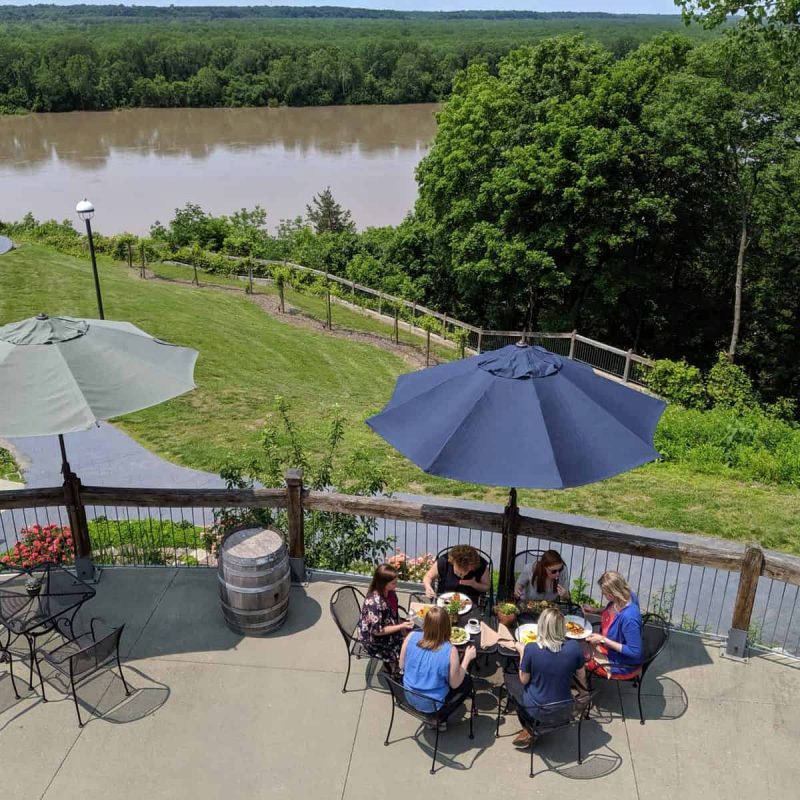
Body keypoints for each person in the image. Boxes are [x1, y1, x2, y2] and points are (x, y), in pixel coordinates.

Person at [505, 607, 585, 747]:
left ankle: (529, 728)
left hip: (538, 710)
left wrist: (522, 652)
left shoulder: (531, 648)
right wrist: (584, 695)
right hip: (565, 708)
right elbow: (581, 676)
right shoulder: (574, 647)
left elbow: (524, 680)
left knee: (510, 678)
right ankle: (531, 728)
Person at [400, 605, 477, 714]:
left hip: (409, 696)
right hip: (433, 705)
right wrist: (467, 658)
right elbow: (455, 684)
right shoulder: (450, 650)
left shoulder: (410, 636)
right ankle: (439, 720)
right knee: (467, 681)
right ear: (447, 626)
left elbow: (401, 666)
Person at [583, 571, 643, 679]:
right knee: (576, 644)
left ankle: (582, 690)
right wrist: (595, 610)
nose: (603, 595)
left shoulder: (629, 618)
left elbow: (635, 652)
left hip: (620, 662)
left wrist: (603, 639)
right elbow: (612, 611)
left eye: (605, 593)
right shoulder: (626, 596)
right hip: (609, 648)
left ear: (614, 593)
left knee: (575, 656)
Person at [358, 564, 414, 675]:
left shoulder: (390, 592)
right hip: (374, 641)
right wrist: (401, 626)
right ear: (383, 583)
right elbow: (377, 631)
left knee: (414, 633)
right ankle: (396, 668)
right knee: (407, 648)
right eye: (393, 583)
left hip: (388, 624)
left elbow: (394, 611)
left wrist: (400, 624)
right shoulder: (375, 603)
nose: (396, 585)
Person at [422, 544, 491, 603]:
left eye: (464, 573)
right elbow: (428, 577)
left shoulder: (479, 565)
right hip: (444, 600)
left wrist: (474, 584)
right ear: (452, 563)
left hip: (471, 602)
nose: (461, 577)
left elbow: (487, 587)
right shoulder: (444, 562)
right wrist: (428, 587)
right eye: (458, 573)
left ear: (471, 567)